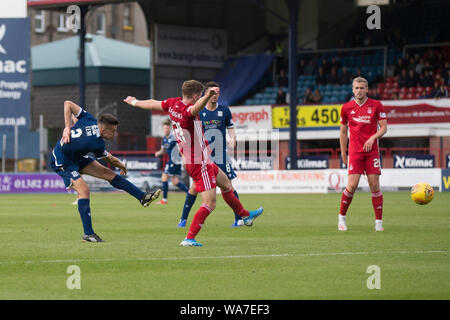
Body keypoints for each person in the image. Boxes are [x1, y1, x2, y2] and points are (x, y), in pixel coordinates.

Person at [123, 80, 263, 247]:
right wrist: (209, 95)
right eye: (201, 96)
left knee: (226, 184)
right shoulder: (188, 111)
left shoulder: (173, 103)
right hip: (198, 162)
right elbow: (196, 108)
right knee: (209, 203)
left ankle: (244, 215)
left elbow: (153, 103)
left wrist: (134, 102)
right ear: (196, 96)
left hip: (201, 160)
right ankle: (189, 238)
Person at [50, 100, 161, 242]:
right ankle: (88, 234)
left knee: (108, 174)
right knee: (84, 191)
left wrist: (68, 127)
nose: (115, 134)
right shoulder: (96, 143)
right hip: (63, 161)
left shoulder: (89, 119)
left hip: (77, 156)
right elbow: (110, 160)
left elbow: (67, 104)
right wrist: (121, 164)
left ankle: (142, 197)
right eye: (113, 131)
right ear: (102, 130)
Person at [177, 81, 243, 228]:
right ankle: (183, 218)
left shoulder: (224, 111)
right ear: (206, 94)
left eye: (218, 92)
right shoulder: (198, 111)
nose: (215, 95)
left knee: (228, 185)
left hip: (220, 154)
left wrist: (233, 138)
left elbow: (230, 127)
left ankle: (239, 218)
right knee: (194, 187)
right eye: (212, 92)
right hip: (202, 155)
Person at [338, 77, 388, 232]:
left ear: (367, 89)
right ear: (352, 90)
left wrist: (373, 138)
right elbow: (343, 131)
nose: (359, 90)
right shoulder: (346, 108)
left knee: (374, 185)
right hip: (355, 152)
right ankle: (342, 218)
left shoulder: (376, 105)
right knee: (352, 185)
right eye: (356, 88)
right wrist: (343, 153)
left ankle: (378, 222)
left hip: (372, 152)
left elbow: (384, 128)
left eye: (362, 88)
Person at [154, 119, 189, 204]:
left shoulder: (173, 137)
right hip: (172, 161)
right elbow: (164, 150)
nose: (166, 130)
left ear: (170, 128)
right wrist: (159, 153)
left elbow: (179, 148)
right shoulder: (165, 139)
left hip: (174, 160)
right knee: (175, 181)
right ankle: (190, 193)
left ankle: (164, 200)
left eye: (167, 128)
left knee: (164, 177)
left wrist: (184, 157)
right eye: (164, 128)